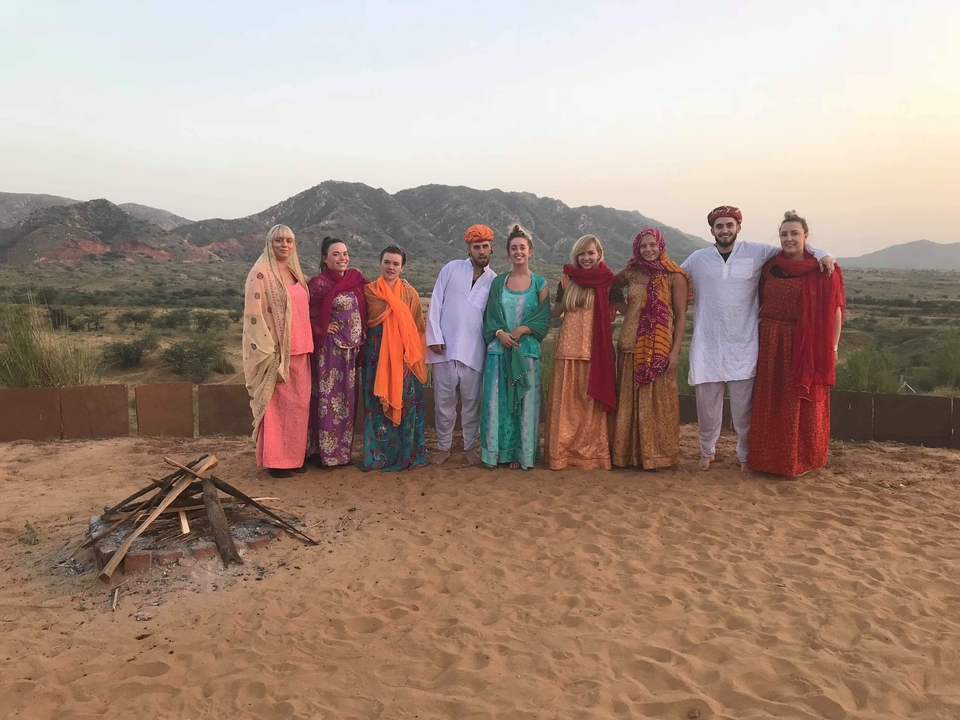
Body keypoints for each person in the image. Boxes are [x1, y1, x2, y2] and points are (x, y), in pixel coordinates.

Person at [681, 206, 834, 473]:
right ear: (712, 231)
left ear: (738, 227)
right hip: (707, 346)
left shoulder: (756, 252)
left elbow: (793, 248)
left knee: (743, 410)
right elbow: (673, 277)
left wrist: (822, 253)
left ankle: (744, 456)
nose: (725, 230)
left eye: (730, 225)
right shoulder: (697, 259)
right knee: (706, 410)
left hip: (744, 345)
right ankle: (707, 452)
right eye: (719, 226)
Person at [748, 211, 845, 476]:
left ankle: (801, 460)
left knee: (801, 400)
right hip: (769, 340)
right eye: (784, 234)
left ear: (806, 237)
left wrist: (833, 347)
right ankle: (768, 460)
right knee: (771, 399)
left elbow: (835, 311)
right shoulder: (769, 266)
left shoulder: (823, 268)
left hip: (807, 342)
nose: (789, 239)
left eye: (794, 233)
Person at [610, 228, 692, 469]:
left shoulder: (674, 275)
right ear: (637, 248)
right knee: (629, 403)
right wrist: (628, 312)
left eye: (652, 245)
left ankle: (656, 456)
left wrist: (675, 351)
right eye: (643, 246)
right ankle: (629, 456)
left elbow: (680, 317)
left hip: (659, 348)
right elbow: (610, 287)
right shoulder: (632, 272)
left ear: (661, 246)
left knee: (658, 404)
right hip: (629, 344)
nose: (648, 249)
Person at [242, 224, 313, 478]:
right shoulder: (260, 273)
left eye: (289, 241)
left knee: (298, 407)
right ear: (269, 244)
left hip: (302, 349)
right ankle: (276, 461)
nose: (285, 245)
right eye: (279, 240)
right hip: (277, 353)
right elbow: (254, 316)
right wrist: (268, 350)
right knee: (277, 409)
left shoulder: (295, 272)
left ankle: (293, 458)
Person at [480, 224, 551, 470]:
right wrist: (500, 333)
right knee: (497, 405)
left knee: (526, 405)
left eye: (522, 247)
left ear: (530, 251)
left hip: (526, 354)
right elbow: (489, 317)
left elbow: (543, 320)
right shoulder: (499, 283)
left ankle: (522, 454)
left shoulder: (540, 285)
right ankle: (498, 453)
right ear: (507, 253)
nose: (518, 252)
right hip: (499, 354)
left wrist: (522, 330)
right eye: (513, 248)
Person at [544, 234, 617, 470]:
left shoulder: (608, 281)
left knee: (590, 407)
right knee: (566, 407)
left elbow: (622, 307)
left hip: (595, 352)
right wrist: (528, 307)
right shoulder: (567, 280)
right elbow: (555, 311)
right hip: (567, 349)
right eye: (582, 254)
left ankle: (590, 455)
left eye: (591, 253)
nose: (586, 258)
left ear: (599, 254)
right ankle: (562, 454)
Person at [426, 224, 497, 466]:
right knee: (443, 403)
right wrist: (434, 336)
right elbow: (435, 301)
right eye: (476, 247)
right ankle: (444, 447)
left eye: (485, 247)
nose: (481, 251)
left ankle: (469, 448)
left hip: (475, 351)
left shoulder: (494, 280)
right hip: (444, 349)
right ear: (468, 248)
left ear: (491, 249)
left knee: (471, 404)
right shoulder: (451, 269)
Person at [360, 245, 428, 472]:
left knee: (406, 407)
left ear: (403, 267)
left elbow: (419, 329)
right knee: (376, 408)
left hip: (404, 362)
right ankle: (378, 459)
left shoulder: (410, 294)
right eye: (387, 262)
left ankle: (407, 456)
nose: (391, 267)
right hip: (376, 360)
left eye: (396, 263)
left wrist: (411, 359)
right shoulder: (368, 292)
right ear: (380, 263)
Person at [306, 236, 367, 467]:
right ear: (324, 258)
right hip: (329, 353)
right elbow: (305, 314)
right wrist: (321, 328)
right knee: (327, 401)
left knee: (345, 403)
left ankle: (341, 454)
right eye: (336, 254)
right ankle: (323, 453)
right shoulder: (319, 284)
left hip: (350, 354)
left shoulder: (354, 279)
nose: (342, 258)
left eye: (345, 253)